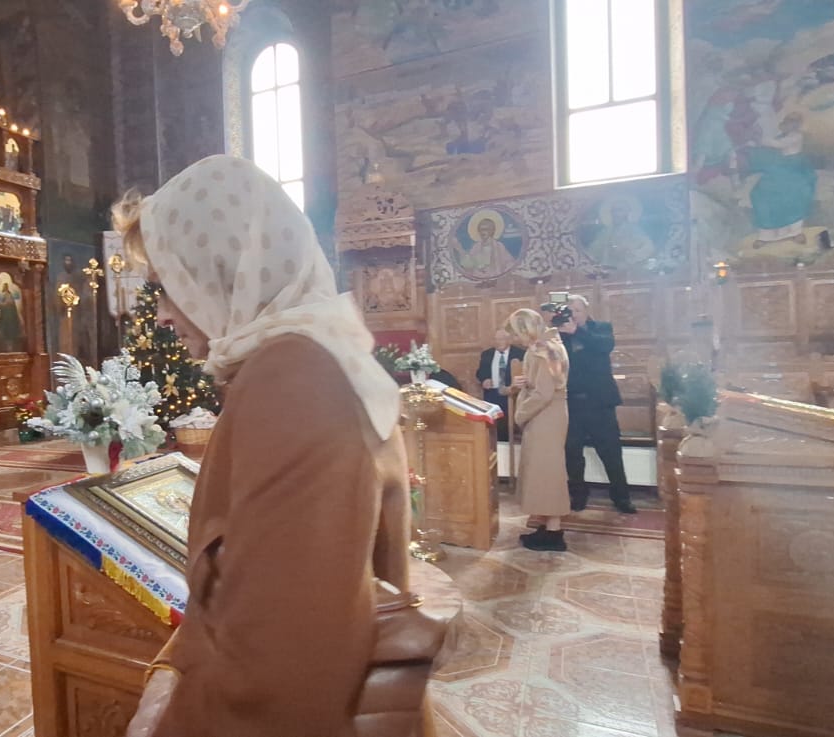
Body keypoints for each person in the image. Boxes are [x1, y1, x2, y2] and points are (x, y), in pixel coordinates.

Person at [112, 155, 429, 737]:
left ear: (221, 267)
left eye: (165, 287)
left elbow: (280, 673)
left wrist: (166, 721)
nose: (161, 316)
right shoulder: (311, 355)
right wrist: (174, 667)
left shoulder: (294, 377)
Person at [559, 295, 635, 514]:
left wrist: (576, 331)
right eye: (570, 311)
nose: (574, 315)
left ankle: (621, 497)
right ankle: (578, 496)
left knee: (611, 452)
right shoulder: (559, 335)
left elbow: (603, 347)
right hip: (572, 403)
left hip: (600, 403)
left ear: (586, 311)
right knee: (572, 453)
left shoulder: (601, 328)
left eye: (577, 310)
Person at [507, 308, 570, 552]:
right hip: (549, 414)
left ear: (527, 329)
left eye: (517, 333)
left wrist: (520, 414)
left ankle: (554, 533)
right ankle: (547, 526)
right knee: (543, 471)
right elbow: (542, 384)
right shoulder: (548, 345)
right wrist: (524, 383)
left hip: (546, 415)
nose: (516, 339)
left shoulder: (543, 350)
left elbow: (543, 393)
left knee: (549, 472)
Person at [476, 328, 521, 442]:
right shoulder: (487, 354)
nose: (498, 342)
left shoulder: (520, 353)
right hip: (492, 394)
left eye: (501, 339)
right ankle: (496, 446)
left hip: (511, 394)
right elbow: (480, 372)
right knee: (494, 426)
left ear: (509, 340)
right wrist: (484, 379)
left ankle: (508, 445)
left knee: (509, 424)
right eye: (496, 339)